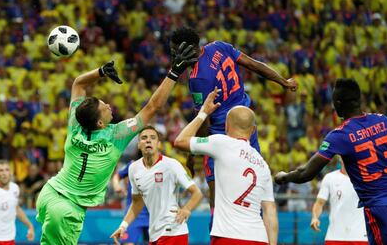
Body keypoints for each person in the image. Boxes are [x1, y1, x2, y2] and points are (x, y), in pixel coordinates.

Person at [35, 42, 197, 245]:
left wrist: (100, 71)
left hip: (49, 193)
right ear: (101, 123)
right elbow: (153, 106)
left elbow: (78, 84)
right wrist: (175, 72)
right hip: (67, 208)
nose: (109, 105)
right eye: (104, 107)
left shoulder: (76, 122)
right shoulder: (116, 135)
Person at [169, 27, 297, 222]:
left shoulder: (197, 78)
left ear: (186, 49)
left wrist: (192, 152)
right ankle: (258, 228)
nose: (173, 55)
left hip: (221, 136)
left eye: (175, 50)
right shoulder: (218, 46)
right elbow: (253, 64)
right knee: (255, 183)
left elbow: (204, 120)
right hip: (246, 125)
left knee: (217, 200)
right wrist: (283, 81)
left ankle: (218, 232)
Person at [275, 78, 387, 245]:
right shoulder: (383, 120)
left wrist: (284, 177)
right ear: (360, 99)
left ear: (338, 103)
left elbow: (306, 173)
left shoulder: (340, 135)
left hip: (378, 208)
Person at [174, 88, 278, 245]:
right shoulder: (263, 165)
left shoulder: (221, 143)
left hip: (227, 236)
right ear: (253, 130)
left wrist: (203, 112)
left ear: (226, 127)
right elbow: (270, 211)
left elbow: (180, 141)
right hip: (259, 238)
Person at [111, 126, 203, 245]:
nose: (148, 140)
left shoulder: (171, 165)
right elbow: (137, 202)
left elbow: (197, 193)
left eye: (153, 138)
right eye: (144, 138)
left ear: (158, 144)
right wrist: (123, 226)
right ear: (139, 144)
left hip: (174, 231)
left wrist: (187, 209)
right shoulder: (133, 168)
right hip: (154, 233)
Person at [311, 158, 368, 245]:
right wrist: (315, 217)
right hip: (334, 237)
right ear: (339, 158)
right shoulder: (330, 178)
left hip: (361, 237)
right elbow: (319, 203)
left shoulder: (366, 178)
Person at [0, 160, 35, 245]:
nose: (4, 173)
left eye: (7, 170)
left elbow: (16, 208)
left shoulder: (15, 188)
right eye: (1, 170)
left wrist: (30, 226)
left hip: (10, 239)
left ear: (11, 173)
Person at [112, 161, 150, 245]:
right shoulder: (133, 165)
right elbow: (117, 176)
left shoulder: (162, 164)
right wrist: (117, 186)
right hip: (133, 214)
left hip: (153, 215)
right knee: (128, 243)